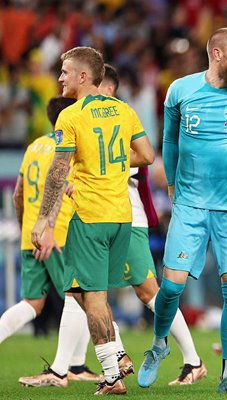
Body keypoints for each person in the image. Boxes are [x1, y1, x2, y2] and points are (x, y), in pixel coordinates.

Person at [137, 28, 227, 394]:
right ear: (217, 53)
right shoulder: (181, 91)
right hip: (190, 205)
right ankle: (159, 345)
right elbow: (169, 141)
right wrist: (171, 190)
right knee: (170, 287)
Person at [31, 46, 155, 395]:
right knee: (82, 292)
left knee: (93, 296)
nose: (59, 78)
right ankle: (118, 356)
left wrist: (43, 221)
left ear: (83, 77)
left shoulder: (70, 117)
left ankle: (112, 376)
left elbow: (57, 173)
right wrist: (112, 160)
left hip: (90, 216)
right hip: (122, 217)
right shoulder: (124, 110)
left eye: (65, 72)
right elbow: (146, 155)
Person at [99, 64, 207, 385]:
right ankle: (98, 360)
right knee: (83, 291)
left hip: (126, 216)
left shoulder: (118, 115)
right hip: (99, 215)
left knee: (148, 291)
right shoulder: (85, 115)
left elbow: (144, 163)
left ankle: (192, 360)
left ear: (105, 87)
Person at [1, 96, 99, 388]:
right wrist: (49, 231)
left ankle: (76, 366)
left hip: (31, 233)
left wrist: (26, 229)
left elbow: (18, 193)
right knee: (81, 297)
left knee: (32, 303)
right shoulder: (66, 148)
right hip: (59, 235)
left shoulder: (34, 146)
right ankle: (75, 366)